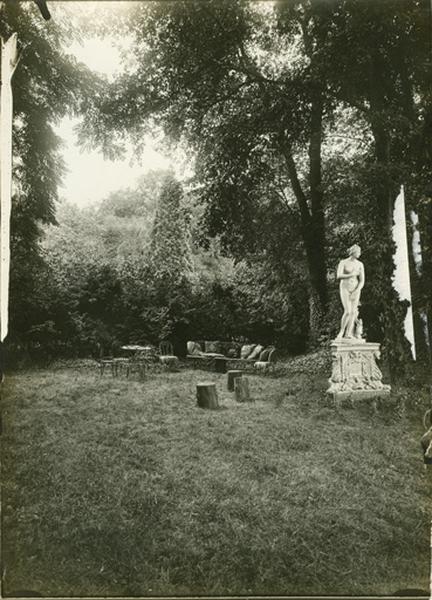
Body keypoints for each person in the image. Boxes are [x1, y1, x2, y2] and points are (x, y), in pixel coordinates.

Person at [336, 244, 365, 340]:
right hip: (345, 287)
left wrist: (357, 290)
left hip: (355, 288)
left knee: (353, 312)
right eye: (358, 252)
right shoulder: (343, 262)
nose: (359, 254)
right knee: (347, 311)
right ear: (353, 252)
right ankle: (341, 332)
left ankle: (349, 333)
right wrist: (351, 274)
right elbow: (339, 275)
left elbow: (362, 280)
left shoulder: (360, 264)